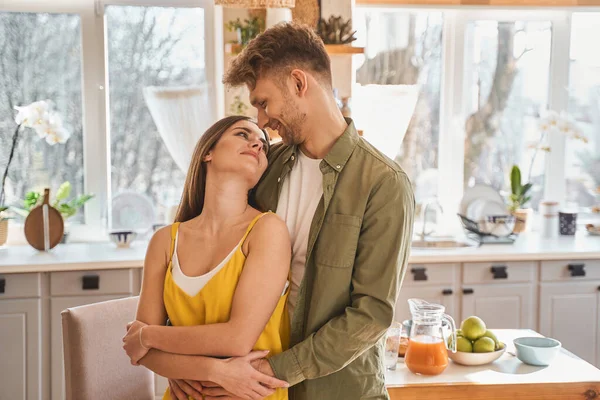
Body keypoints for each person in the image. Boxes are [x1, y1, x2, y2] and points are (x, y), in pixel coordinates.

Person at [171, 22, 416, 400]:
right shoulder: (265, 169)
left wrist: (275, 370)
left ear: (300, 84)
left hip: (335, 390)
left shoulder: (383, 183)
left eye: (264, 103)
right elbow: (210, 259)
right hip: (253, 386)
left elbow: (371, 316)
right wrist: (183, 363)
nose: (262, 123)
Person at [122, 115, 293, 400]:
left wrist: (147, 336)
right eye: (242, 134)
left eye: (263, 145)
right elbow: (144, 355)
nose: (257, 144)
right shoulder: (165, 241)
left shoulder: (267, 230)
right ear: (207, 153)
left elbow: (237, 339)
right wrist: (216, 372)